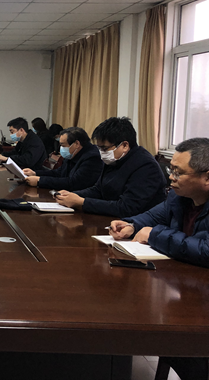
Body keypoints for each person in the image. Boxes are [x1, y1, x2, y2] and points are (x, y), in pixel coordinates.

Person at [109, 138, 209, 380]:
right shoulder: (179, 197)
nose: (170, 178)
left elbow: (206, 250)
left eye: (178, 172)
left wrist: (155, 234)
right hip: (185, 292)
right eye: (170, 170)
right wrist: (132, 225)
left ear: (206, 178)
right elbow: (155, 216)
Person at [55, 117, 166, 216]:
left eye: (104, 148)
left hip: (135, 226)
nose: (101, 153)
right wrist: (72, 195)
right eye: (99, 148)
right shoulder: (115, 159)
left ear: (124, 145)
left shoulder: (146, 166)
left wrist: (82, 202)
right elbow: (98, 190)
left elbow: (127, 208)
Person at [23, 127, 103, 191]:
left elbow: (74, 183)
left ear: (77, 144)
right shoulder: (73, 154)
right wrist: (35, 173)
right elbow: (59, 173)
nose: (61, 149)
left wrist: (40, 181)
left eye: (63, 145)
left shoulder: (93, 158)